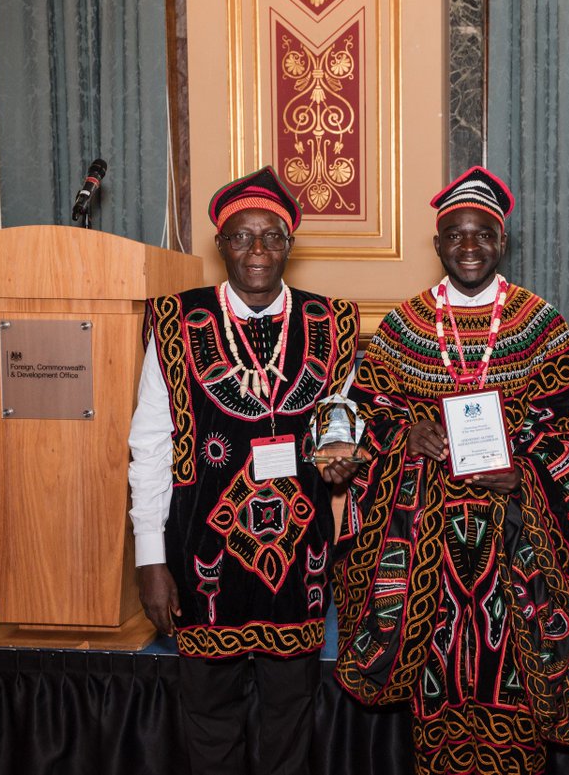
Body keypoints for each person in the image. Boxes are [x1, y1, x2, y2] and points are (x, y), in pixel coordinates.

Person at [331, 166, 569, 775]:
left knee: (514, 677)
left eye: (483, 234)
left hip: (518, 543)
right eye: (456, 235)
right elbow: (359, 421)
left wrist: (527, 471)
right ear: (437, 244)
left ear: (503, 243)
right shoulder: (402, 327)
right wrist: (404, 434)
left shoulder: (538, 325)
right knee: (437, 676)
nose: (470, 246)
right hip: (424, 546)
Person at [128, 166, 359, 775]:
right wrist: (150, 557)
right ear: (220, 244)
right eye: (241, 236)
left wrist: (341, 461)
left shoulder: (331, 322)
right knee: (207, 718)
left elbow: (340, 425)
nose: (257, 250)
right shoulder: (176, 322)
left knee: (290, 714)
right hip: (202, 551)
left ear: (289, 244)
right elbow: (150, 444)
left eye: (271, 236)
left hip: (299, 555)